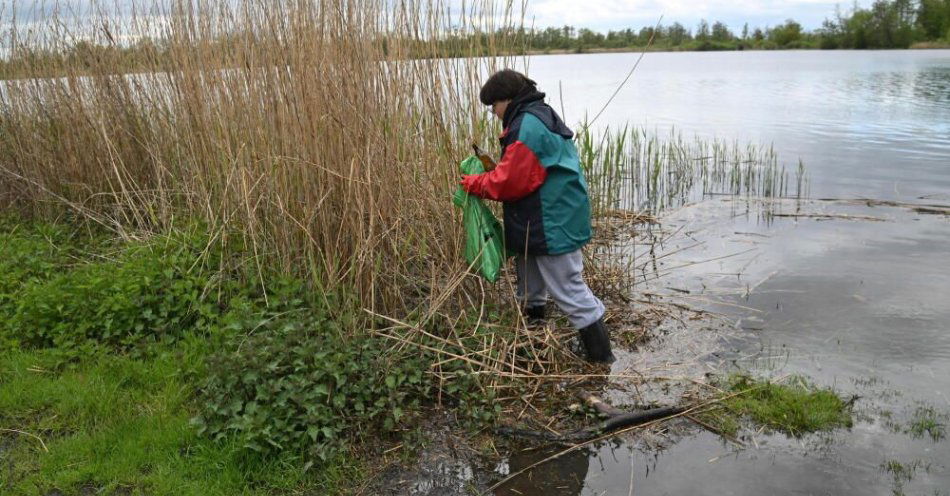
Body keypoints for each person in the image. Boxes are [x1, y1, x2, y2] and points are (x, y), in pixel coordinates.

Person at [460, 69, 615, 364]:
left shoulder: (528, 124)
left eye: (494, 106)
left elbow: (511, 182)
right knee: (530, 283)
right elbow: (524, 173)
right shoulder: (535, 115)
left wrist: (475, 183)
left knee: (569, 289)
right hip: (541, 215)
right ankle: (535, 337)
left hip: (551, 220)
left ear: (506, 99)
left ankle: (602, 359)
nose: (493, 113)